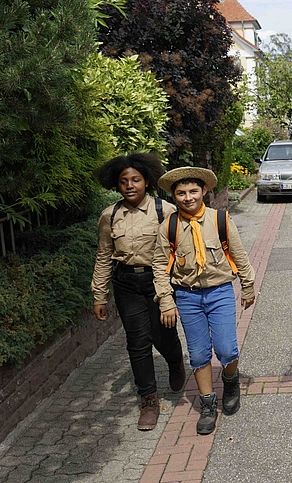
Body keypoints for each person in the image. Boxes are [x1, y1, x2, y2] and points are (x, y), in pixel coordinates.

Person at [153, 167, 256, 436]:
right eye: (181, 193)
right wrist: (166, 300)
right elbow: (159, 265)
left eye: (193, 191)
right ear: (174, 196)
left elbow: (239, 253)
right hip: (187, 296)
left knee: (227, 350)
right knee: (198, 354)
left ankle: (230, 380)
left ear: (204, 191)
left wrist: (248, 285)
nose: (188, 198)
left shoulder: (220, 220)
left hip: (220, 291)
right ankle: (208, 403)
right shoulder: (169, 227)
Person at [92, 153, 185, 431]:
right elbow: (104, 255)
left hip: (160, 283)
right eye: (124, 181)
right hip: (126, 285)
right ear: (116, 185)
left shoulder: (165, 211)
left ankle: (175, 360)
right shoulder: (110, 216)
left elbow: (180, 248)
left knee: (162, 334)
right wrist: (99, 294)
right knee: (137, 341)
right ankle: (148, 399)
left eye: (136, 180)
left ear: (147, 181)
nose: (130, 185)